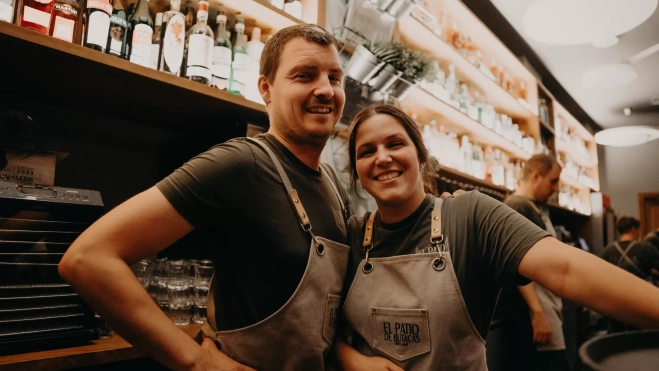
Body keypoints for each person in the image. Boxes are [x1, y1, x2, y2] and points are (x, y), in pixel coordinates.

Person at [59, 24, 351, 371]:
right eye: (305, 76)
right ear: (266, 89)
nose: (325, 90)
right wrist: (194, 359)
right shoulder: (243, 163)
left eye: (334, 78)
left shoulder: (332, 184)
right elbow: (88, 259)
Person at [332, 103, 659, 370]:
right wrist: (353, 361)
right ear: (358, 172)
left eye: (395, 143)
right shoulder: (351, 234)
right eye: (366, 151)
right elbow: (316, 329)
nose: (382, 157)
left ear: (420, 156)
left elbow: (566, 269)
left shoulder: (469, 215)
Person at [487, 154, 569, 371]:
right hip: (531, 314)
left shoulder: (532, 207)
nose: (556, 188)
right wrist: (538, 312)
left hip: (545, 308)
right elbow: (514, 262)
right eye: (553, 181)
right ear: (536, 176)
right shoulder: (517, 205)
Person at [601, 216, 659, 333]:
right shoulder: (645, 248)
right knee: (640, 336)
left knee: (617, 337)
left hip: (615, 301)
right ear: (633, 229)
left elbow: (600, 276)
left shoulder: (608, 250)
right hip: (640, 300)